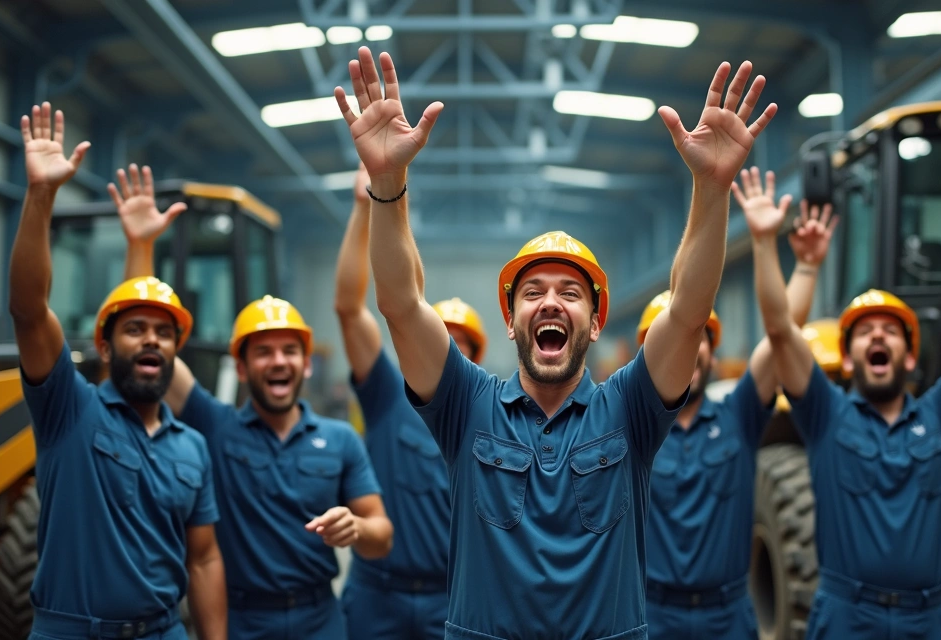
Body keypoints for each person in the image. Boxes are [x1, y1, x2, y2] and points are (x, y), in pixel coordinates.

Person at [334, 45, 777, 639]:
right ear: (511, 318)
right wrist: (388, 185)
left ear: (595, 324)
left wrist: (712, 190)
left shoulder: (631, 410)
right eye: (532, 292)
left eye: (571, 294)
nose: (550, 302)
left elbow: (689, 309)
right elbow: (399, 303)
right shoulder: (465, 406)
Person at [109, 163, 393, 640]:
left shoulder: (340, 440)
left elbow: (382, 535)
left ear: (306, 364)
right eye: (262, 352)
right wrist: (141, 247)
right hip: (240, 620)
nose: (276, 361)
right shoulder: (213, 427)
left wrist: (357, 530)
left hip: (321, 619)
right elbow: (150, 349)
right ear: (241, 369)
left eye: (288, 351)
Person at [755, 162, 941, 640]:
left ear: (909, 355)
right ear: (847, 359)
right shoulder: (825, 414)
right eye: (865, 332)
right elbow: (780, 331)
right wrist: (782, 253)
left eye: (890, 332)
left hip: (927, 619)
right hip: (847, 618)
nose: (878, 338)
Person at [8, 102, 226, 640]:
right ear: (104, 348)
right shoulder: (70, 412)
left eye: (164, 331)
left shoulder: (191, 447)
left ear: (176, 350)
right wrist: (40, 196)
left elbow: (203, 560)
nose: (151, 337)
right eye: (133, 330)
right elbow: (30, 310)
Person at [641, 170, 838, 638]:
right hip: (652, 616)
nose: (688, 353)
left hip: (728, 617)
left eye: (699, 341)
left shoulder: (739, 417)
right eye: (670, 344)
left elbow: (782, 336)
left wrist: (803, 266)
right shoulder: (632, 431)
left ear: (713, 351)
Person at [333, 163, 488, 640]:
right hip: (378, 595)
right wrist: (365, 208)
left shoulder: (492, 416)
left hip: (454, 600)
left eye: (464, 344)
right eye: (445, 338)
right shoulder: (386, 393)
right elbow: (348, 307)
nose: (452, 351)